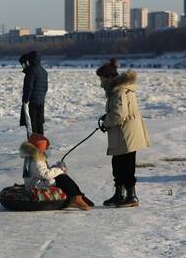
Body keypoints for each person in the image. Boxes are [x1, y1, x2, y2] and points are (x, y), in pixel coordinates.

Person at [97, 59, 149, 207]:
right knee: (118, 164)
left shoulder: (119, 92)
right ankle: (120, 194)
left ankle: (131, 196)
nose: (100, 83)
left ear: (108, 78)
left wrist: (106, 122)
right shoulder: (118, 90)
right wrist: (106, 119)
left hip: (126, 135)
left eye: (101, 79)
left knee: (125, 165)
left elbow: (119, 115)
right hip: (123, 134)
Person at [20, 133, 93, 210]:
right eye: (46, 148)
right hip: (36, 185)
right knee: (62, 178)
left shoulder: (34, 157)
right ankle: (75, 197)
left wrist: (56, 167)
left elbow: (42, 171)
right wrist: (59, 169)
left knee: (62, 176)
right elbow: (44, 174)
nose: (47, 150)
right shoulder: (36, 160)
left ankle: (78, 195)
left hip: (39, 181)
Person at [19, 50, 48, 136]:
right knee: (39, 123)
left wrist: (25, 100)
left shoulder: (31, 71)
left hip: (32, 101)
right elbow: (45, 88)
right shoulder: (43, 71)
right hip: (41, 101)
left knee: (31, 124)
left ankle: (34, 144)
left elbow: (29, 87)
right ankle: (41, 143)